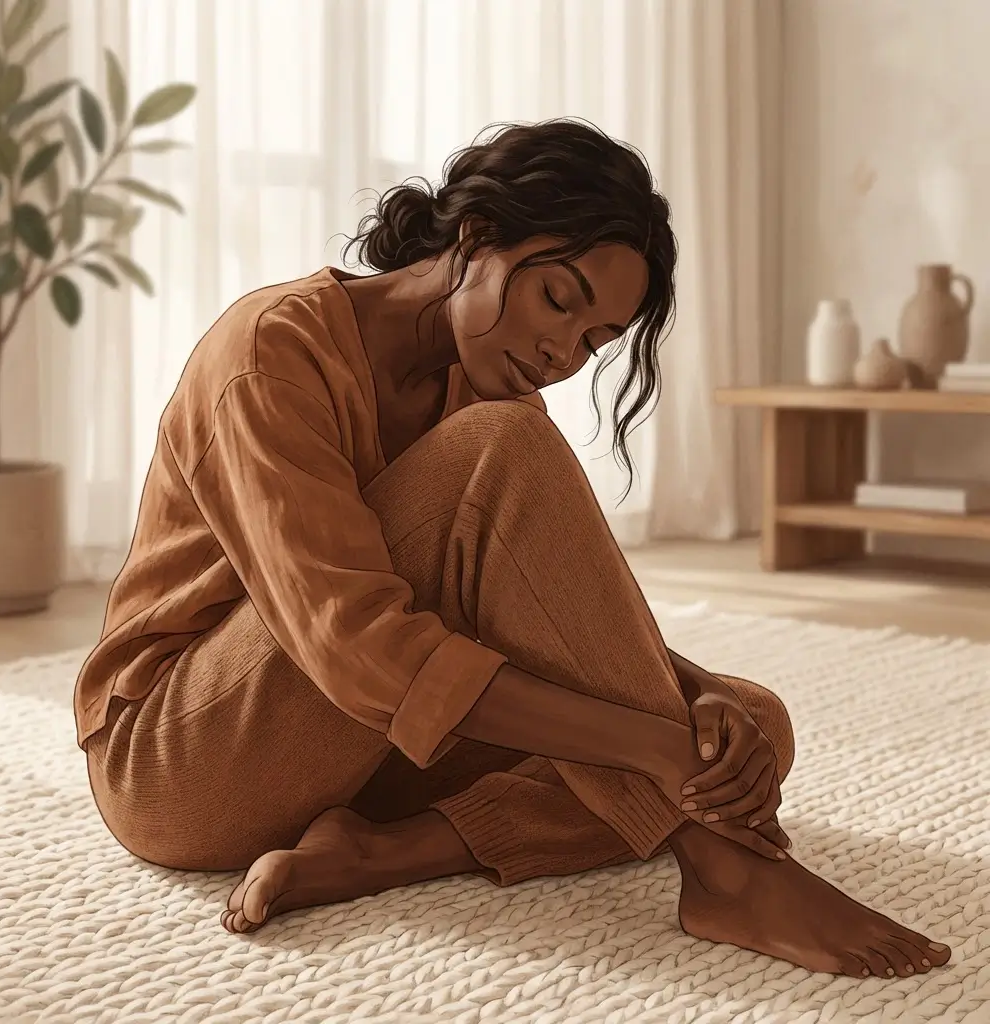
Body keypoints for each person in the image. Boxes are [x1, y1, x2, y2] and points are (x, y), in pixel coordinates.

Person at [75, 119, 950, 979]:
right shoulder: (272, 353)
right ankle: (728, 872)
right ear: (478, 234)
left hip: (361, 752)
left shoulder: (480, 383)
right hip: (181, 761)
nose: (560, 353)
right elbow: (356, 648)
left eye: (594, 341)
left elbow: (557, 611)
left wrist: (696, 702)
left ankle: (382, 854)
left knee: (751, 728)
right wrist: (655, 744)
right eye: (558, 301)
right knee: (665, 743)